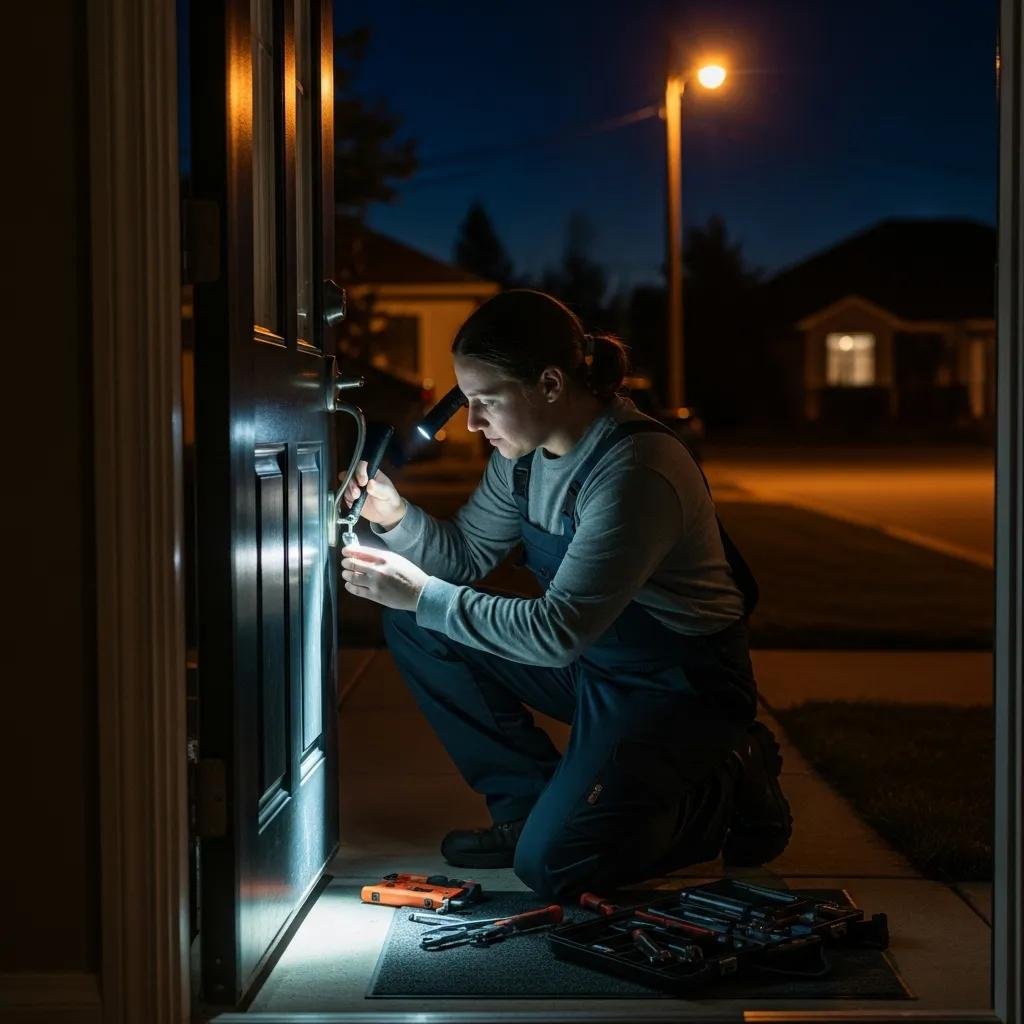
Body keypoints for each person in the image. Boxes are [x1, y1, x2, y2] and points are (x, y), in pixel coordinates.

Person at [339, 289, 791, 901]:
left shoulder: (635, 471)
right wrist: (396, 517)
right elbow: (469, 558)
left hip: (675, 688)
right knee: (420, 628)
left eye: (485, 401)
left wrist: (420, 591)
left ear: (550, 384)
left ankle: (732, 781)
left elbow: (556, 633)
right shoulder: (522, 460)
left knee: (557, 868)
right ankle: (528, 807)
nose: (471, 422)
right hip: (594, 664)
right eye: (466, 402)